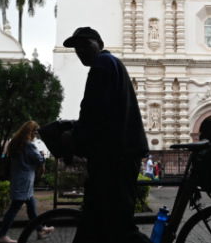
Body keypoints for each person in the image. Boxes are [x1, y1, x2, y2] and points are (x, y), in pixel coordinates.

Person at [60, 27, 149, 242]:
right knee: (92, 222)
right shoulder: (110, 63)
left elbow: (94, 107)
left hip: (117, 156)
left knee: (119, 227)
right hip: (114, 154)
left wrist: (75, 136)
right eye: (77, 48)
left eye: (85, 45)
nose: (81, 51)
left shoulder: (103, 63)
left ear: (100, 43)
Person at [0, 121, 54, 243]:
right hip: (24, 182)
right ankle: (1, 236)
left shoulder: (15, 144)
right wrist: (42, 155)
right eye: (35, 133)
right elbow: (39, 160)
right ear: (31, 132)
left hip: (18, 179)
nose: (35, 136)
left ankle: (40, 229)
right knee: (15, 207)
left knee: (31, 205)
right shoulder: (28, 145)